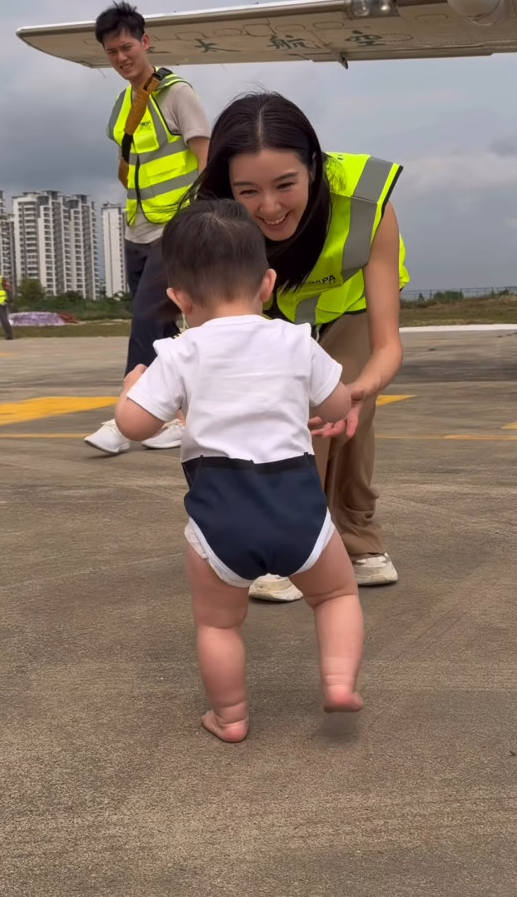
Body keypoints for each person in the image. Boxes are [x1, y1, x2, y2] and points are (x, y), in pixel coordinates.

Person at [115, 199, 364, 742]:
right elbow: (338, 406)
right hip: (297, 503)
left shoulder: (179, 352)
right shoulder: (295, 340)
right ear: (268, 284)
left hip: (220, 512)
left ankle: (230, 716)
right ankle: (340, 682)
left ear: (177, 298)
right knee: (337, 596)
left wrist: (132, 389)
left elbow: (134, 426)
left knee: (219, 623)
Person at [188, 91, 409, 598]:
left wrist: (360, 391)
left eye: (285, 184)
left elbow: (387, 345)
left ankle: (357, 537)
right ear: (227, 188)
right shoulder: (215, 221)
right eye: (248, 192)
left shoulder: (366, 198)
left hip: (352, 307)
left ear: (313, 165)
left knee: (347, 408)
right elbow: (207, 328)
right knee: (280, 413)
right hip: (273, 314)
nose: (268, 207)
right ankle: (286, 544)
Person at [85, 0, 211, 456]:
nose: (121, 58)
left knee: (145, 318)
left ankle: (127, 418)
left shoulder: (176, 94)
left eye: (126, 47)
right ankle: (168, 420)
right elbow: (130, 166)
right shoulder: (124, 105)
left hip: (175, 228)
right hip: (138, 229)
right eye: (111, 53)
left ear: (145, 42)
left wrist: (196, 216)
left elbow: (206, 156)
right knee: (163, 327)